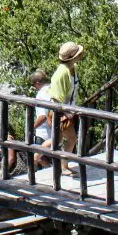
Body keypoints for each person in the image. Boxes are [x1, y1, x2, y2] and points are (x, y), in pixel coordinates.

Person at [48, 42, 85, 177]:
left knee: (58, 141)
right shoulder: (61, 74)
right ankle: (62, 166)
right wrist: (66, 113)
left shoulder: (71, 68)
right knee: (71, 139)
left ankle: (60, 166)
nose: (81, 56)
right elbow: (56, 98)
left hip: (67, 110)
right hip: (61, 113)